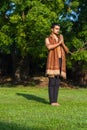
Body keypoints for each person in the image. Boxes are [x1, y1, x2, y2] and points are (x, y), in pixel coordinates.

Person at [45, 23, 69, 106]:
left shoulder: (60, 39)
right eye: (56, 28)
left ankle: (55, 101)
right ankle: (52, 101)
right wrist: (59, 43)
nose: (58, 30)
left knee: (57, 81)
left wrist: (62, 43)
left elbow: (67, 50)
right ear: (52, 29)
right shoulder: (48, 38)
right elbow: (49, 47)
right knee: (52, 81)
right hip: (52, 61)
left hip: (60, 61)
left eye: (58, 29)